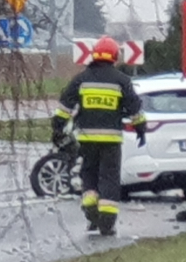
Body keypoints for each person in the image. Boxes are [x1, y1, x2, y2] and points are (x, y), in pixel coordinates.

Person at [51, 35, 146, 236]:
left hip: (86, 140)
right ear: (114, 56)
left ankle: (90, 207)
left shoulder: (81, 79)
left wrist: (58, 128)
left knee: (89, 175)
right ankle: (107, 223)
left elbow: (64, 107)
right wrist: (140, 129)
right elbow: (134, 109)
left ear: (94, 54)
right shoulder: (122, 81)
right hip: (111, 141)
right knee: (109, 179)